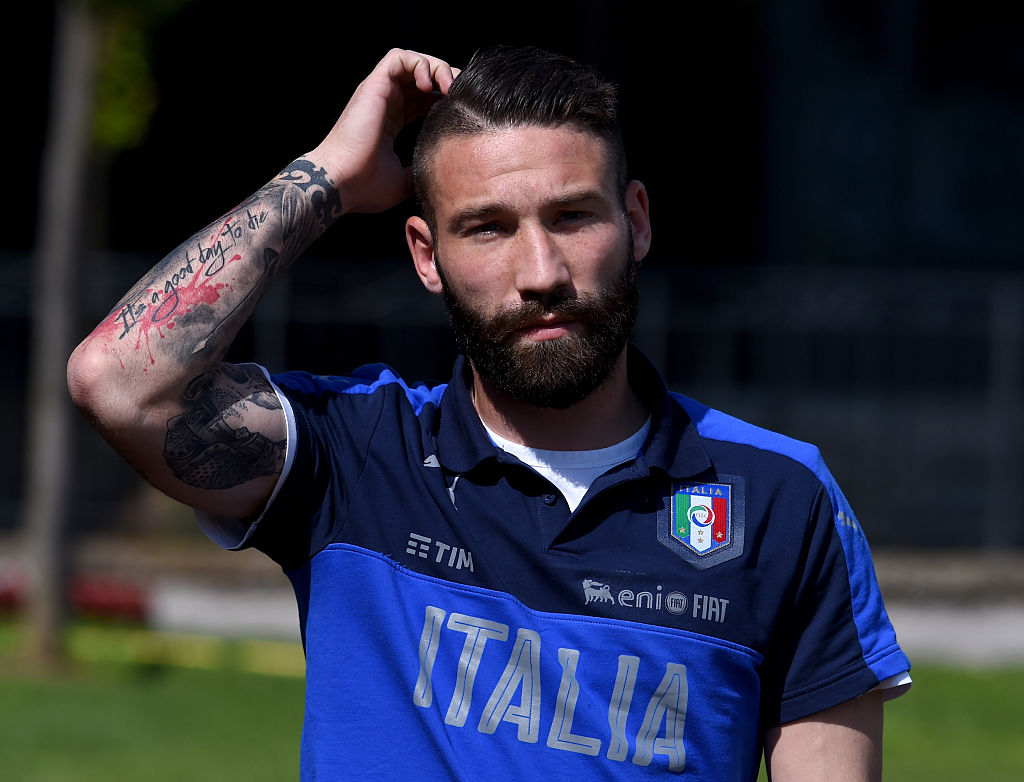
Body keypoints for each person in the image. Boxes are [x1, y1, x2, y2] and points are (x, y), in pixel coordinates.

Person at [67, 46, 910, 780]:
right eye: (488, 229)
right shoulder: (358, 457)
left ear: (637, 221)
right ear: (427, 258)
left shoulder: (781, 498)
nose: (540, 270)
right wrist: (325, 175)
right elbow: (121, 382)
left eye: (573, 216)